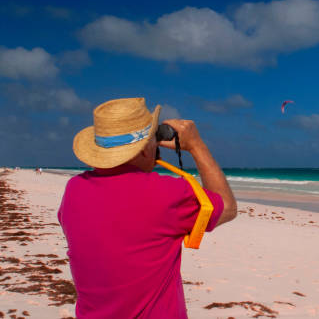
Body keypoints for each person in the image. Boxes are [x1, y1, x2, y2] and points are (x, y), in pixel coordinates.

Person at [58, 97, 237, 318]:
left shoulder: (74, 190)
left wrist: (147, 144)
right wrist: (197, 146)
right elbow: (227, 207)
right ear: (144, 150)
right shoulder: (169, 194)